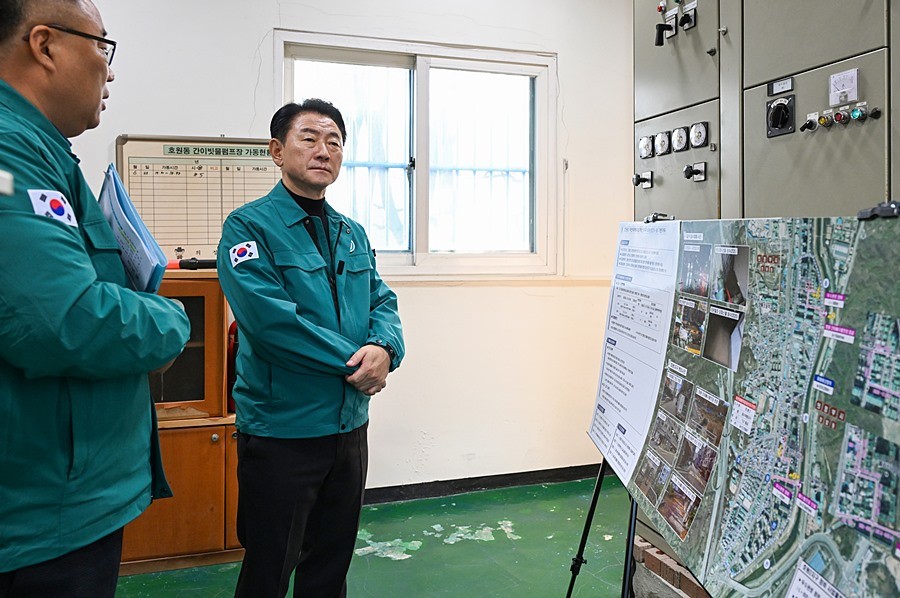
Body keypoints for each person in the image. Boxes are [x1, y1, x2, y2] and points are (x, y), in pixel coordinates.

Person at [0, 1, 191, 596]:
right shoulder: (9, 155)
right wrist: (169, 320)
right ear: (44, 44)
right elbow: (61, 317)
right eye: (101, 47)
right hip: (39, 511)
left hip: (56, 496)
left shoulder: (41, 151)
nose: (110, 71)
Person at [217, 99, 405, 597]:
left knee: (330, 564)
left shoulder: (352, 233)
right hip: (283, 432)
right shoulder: (248, 227)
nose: (324, 150)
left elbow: (381, 300)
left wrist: (385, 348)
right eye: (309, 138)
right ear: (277, 151)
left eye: (335, 142)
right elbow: (271, 323)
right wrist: (357, 362)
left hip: (348, 428)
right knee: (269, 569)